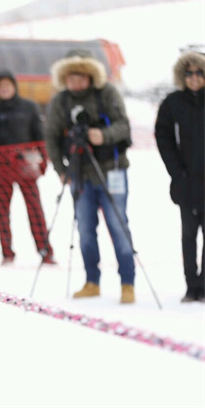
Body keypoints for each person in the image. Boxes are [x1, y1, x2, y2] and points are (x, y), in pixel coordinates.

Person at [45, 49, 135, 304]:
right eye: (71, 76)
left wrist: (102, 136)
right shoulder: (60, 101)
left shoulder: (107, 93)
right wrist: (61, 170)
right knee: (85, 230)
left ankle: (128, 282)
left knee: (118, 226)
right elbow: (51, 136)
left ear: (91, 75)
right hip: (79, 175)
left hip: (112, 170)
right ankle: (91, 281)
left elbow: (123, 125)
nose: (76, 81)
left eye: (81, 76)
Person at [0, 70, 55, 265]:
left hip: (25, 166)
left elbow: (39, 135)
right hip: (0, 167)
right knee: (2, 211)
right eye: (1, 86)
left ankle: (45, 251)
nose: (5, 89)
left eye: (8, 85)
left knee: (35, 208)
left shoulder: (29, 107)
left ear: (14, 86)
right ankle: (7, 253)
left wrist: (44, 160)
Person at [155, 50, 205, 302]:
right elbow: (163, 137)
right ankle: (191, 284)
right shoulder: (173, 102)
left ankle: (204, 285)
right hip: (186, 180)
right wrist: (176, 171)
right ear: (182, 76)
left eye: (199, 73)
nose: (194, 78)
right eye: (189, 73)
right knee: (188, 234)